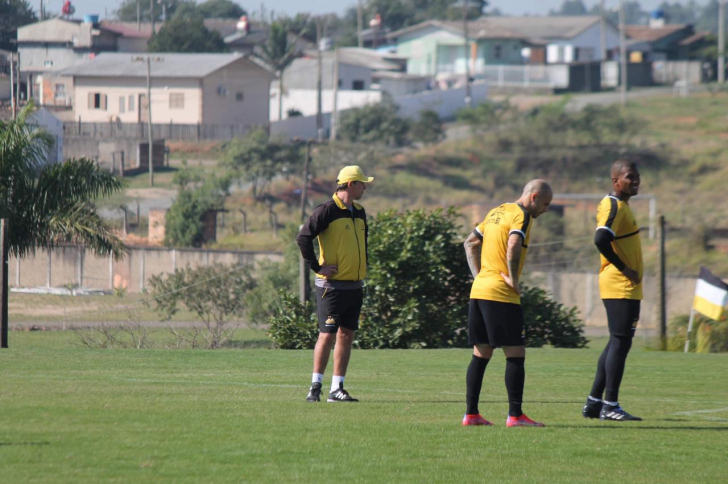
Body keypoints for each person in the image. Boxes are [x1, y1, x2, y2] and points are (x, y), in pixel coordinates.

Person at [462, 180, 553, 427]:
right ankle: (515, 416)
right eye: (545, 204)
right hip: (501, 294)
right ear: (533, 197)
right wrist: (512, 279)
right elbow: (513, 245)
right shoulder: (522, 215)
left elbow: (469, 243)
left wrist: (479, 277)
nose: (545, 210)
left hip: (479, 291)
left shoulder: (496, 211)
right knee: (515, 353)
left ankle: (471, 415)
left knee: (481, 353)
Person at [296, 165, 372, 403]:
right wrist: (317, 268)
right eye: (361, 183)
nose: (364, 187)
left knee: (346, 335)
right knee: (326, 335)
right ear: (350, 184)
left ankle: (337, 389)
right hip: (332, 287)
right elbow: (303, 237)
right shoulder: (327, 210)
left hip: (354, 285)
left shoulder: (359, 212)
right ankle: (315, 387)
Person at [582, 160, 644, 421]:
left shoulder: (621, 205)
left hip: (622, 285)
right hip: (620, 284)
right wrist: (624, 269)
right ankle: (611, 405)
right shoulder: (614, 205)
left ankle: (595, 403)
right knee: (620, 342)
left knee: (616, 341)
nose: (636, 181)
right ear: (616, 181)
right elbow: (600, 238)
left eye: (637, 176)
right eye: (630, 177)